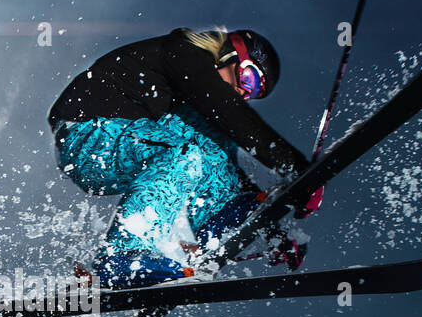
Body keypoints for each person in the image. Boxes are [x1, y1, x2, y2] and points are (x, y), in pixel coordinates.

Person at [49, 26, 315, 288]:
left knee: (209, 138)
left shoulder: (194, 97)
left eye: (254, 93)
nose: (244, 93)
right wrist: (295, 167)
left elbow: (220, 146)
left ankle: (219, 215)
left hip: (129, 138)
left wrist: (271, 230)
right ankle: (121, 256)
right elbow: (228, 111)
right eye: (249, 79)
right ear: (229, 55)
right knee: (187, 148)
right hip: (90, 137)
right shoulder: (183, 52)